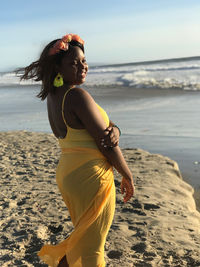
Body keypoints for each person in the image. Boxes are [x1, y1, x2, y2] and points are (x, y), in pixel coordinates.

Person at [20, 33, 134, 267]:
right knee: (92, 247)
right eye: (74, 63)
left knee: (83, 239)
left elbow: (105, 130)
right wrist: (127, 174)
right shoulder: (77, 96)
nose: (83, 67)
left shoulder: (54, 96)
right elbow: (107, 144)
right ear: (58, 68)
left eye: (83, 61)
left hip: (70, 174)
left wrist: (117, 130)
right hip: (90, 177)